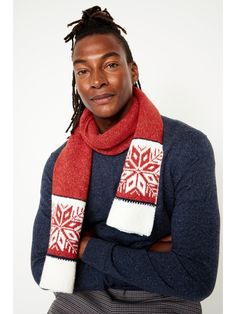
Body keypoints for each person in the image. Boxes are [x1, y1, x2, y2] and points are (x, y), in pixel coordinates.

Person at [31, 6, 220, 314]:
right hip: (79, 303)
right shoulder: (61, 163)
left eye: (110, 65)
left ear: (133, 71)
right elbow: (44, 269)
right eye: (83, 70)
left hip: (164, 302)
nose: (96, 80)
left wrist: (86, 245)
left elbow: (196, 277)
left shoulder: (186, 148)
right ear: (76, 81)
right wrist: (147, 254)